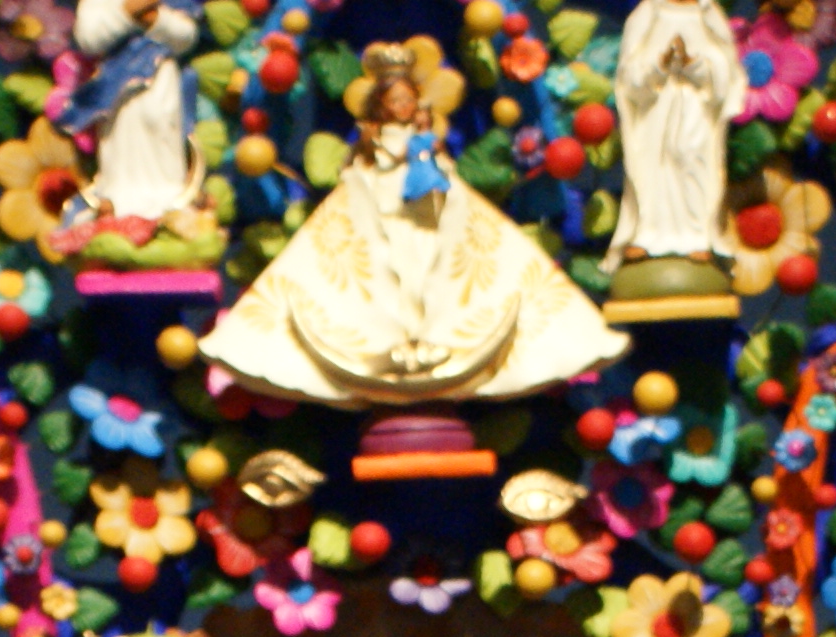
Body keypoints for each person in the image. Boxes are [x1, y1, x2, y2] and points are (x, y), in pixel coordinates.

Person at [200, 43, 628, 406]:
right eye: (395, 100)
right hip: (381, 221)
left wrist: (437, 169)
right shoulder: (373, 144)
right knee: (382, 280)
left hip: (427, 220)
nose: (402, 106)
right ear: (381, 104)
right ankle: (389, 341)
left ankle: (434, 336)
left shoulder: (427, 142)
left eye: (408, 99)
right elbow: (358, 175)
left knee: (436, 277)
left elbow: (443, 176)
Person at [64, 0, 205, 230]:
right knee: (125, 133)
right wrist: (125, 12)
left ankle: (166, 203)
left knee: (161, 125)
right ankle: (121, 202)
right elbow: (88, 37)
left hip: (161, 77)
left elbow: (187, 35)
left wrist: (155, 20)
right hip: (118, 79)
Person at [611, 0, 743, 266]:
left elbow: (724, 71)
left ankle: (697, 235)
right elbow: (629, 72)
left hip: (695, 105)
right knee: (652, 164)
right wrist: (659, 64)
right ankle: (647, 233)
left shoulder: (708, 16)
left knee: (692, 160)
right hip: (656, 105)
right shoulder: (649, 14)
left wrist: (692, 63)